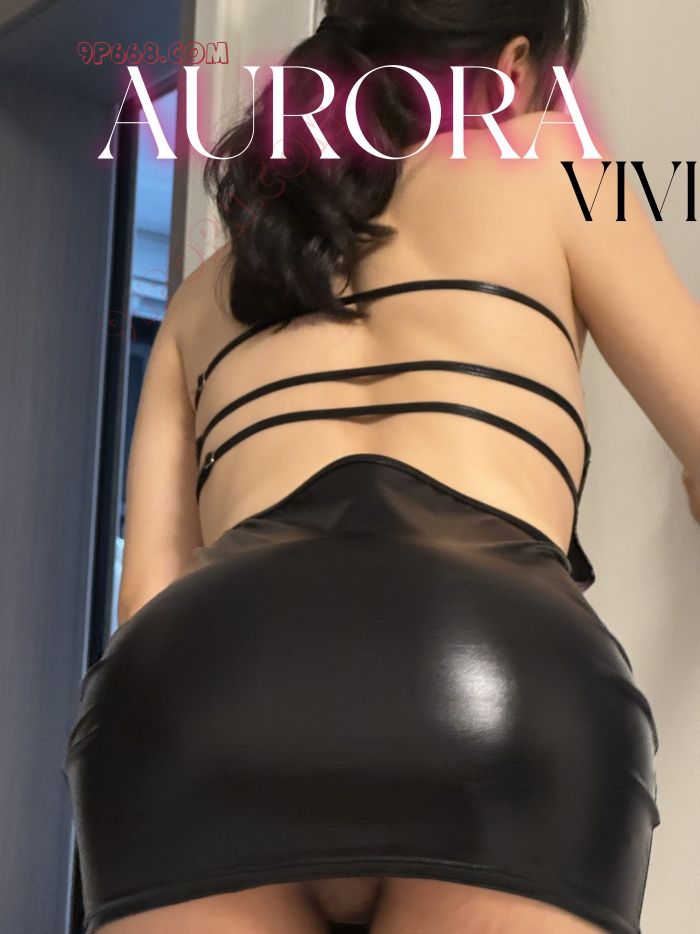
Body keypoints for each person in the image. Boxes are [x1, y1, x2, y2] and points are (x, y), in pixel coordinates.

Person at [62, 2, 700, 933]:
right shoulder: (553, 161)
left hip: (199, 703)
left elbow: (146, 600)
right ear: (514, 66)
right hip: (489, 689)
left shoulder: (208, 289)